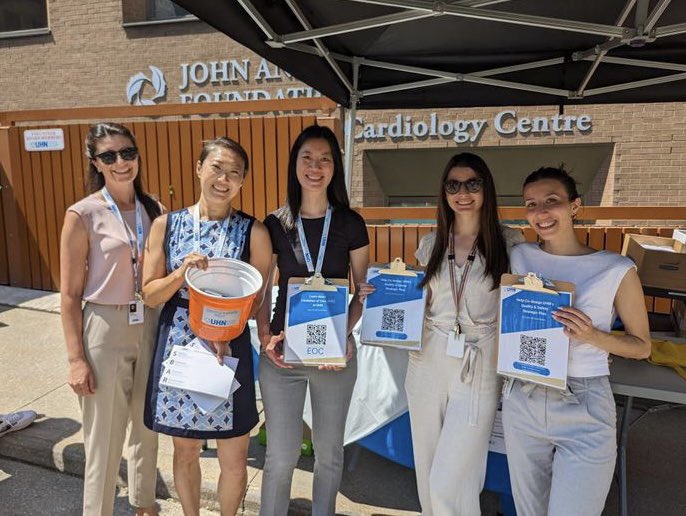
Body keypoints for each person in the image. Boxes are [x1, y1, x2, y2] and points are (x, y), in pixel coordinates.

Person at [502, 166, 651, 515]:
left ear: (575, 206)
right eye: (531, 204)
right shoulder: (519, 257)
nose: (540, 212)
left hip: (584, 399)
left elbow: (642, 346)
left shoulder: (616, 268)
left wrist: (593, 336)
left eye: (551, 201)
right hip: (523, 394)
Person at [142, 137, 272, 516]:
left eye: (234, 172)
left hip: (228, 347)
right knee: (185, 449)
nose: (224, 178)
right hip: (180, 344)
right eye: (217, 167)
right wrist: (181, 273)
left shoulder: (254, 231)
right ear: (198, 168)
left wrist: (224, 319)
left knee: (236, 454)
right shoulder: (166, 225)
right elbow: (150, 294)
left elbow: (257, 301)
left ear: (243, 181)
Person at [257, 124, 370, 516]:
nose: (315, 166)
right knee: (280, 457)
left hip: (333, 359)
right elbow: (260, 291)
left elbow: (361, 292)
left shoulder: (351, 224)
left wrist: (347, 331)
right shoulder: (275, 224)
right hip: (282, 358)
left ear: (334, 167)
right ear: (295, 164)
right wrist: (264, 335)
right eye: (307, 157)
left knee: (329, 456)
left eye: (324, 159)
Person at [406, 152, 524, 515]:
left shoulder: (511, 243)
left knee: (451, 476)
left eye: (472, 184)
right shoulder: (431, 243)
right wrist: (384, 297)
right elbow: (419, 300)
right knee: (427, 468)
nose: (463, 193)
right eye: (453, 185)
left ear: (486, 188)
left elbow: (522, 305)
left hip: (480, 356)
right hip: (427, 355)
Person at [60, 122, 162, 516]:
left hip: (149, 321)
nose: (121, 162)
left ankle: (145, 505)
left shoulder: (154, 208)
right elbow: (69, 296)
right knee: (104, 436)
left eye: (128, 152)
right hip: (104, 325)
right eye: (109, 156)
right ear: (95, 163)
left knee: (146, 428)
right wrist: (75, 359)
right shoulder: (82, 214)